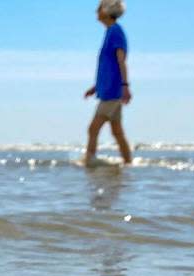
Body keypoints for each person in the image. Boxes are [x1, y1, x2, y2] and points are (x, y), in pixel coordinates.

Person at [83, 1, 133, 165]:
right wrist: (95, 87)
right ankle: (128, 163)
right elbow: (108, 66)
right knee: (117, 132)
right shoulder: (110, 32)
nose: (96, 11)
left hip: (113, 92)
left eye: (99, 8)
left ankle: (89, 162)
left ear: (106, 10)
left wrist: (125, 86)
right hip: (108, 90)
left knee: (93, 129)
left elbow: (121, 61)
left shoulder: (116, 32)